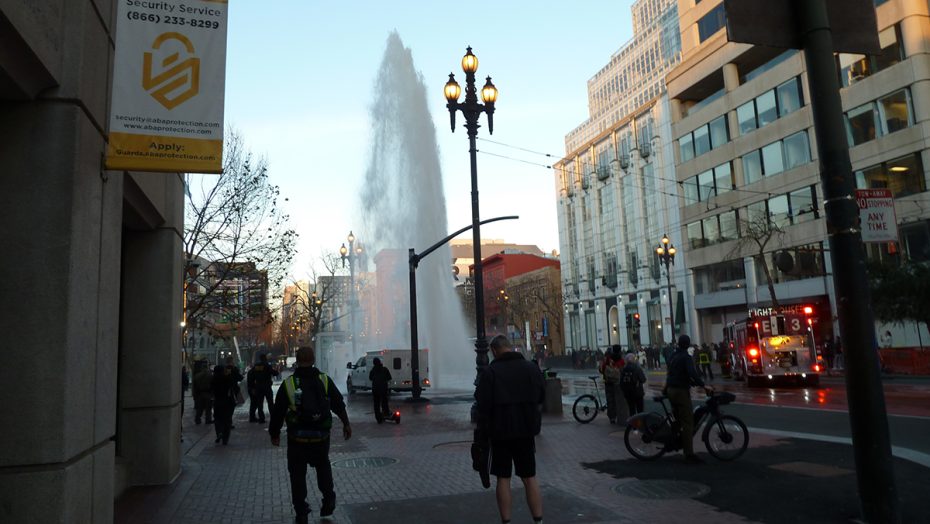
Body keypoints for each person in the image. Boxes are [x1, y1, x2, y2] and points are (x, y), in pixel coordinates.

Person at [270, 346, 351, 523]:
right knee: (323, 467)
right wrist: (346, 423)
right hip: (320, 437)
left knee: (297, 475)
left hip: (297, 439)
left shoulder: (289, 384)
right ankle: (328, 499)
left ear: (297, 361)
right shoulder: (324, 380)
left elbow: (278, 411)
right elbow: (338, 403)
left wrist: (274, 433)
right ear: (313, 360)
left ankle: (301, 510)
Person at [476, 335, 546, 524]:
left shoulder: (491, 372)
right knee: (529, 477)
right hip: (525, 432)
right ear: (510, 347)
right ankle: (538, 520)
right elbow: (541, 395)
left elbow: (482, 404)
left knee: (503, 478)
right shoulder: (531, 368)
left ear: (493, 351)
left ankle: (506, 521)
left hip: (500, 433)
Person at [664, 334, 712, 463]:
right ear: (688, 344)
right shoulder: (686, 357)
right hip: (680, 391)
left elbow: (672, 373)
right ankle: (689, 453)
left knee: (677, 419)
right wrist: (703, 385)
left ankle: (672, 441)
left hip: (670, 390)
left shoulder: (673, 355)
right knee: (688, 422)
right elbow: (692, 373)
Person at [211, 357, 243, 445]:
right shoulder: (227, 378)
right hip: (228, 401)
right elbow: (235, 382)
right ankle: (225, 438)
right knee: (227, 419)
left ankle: (219, 432)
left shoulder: (213, 379)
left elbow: (211, 390)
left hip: (217, 401)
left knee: (217, 418)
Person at [248, 353, 280, 424]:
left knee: (260, 403)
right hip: (267, 387)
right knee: (270, 403)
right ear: (265, 358)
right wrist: (277, 371)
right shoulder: (267, 365)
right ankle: (273, 417)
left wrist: (252, 386)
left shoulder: (256, 366)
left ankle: (261, 419)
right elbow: (274, 373)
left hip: (258, 387)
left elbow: (251, 375)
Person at [598, 345, 625, 424]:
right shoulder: (621, 360)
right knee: (618, 400)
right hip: (618, 383)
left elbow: (602, 369)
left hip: (608, 382)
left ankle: (612, 417)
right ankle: (619, 415)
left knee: (610, 400)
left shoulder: (608, 359)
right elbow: (624, 370)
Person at [368, 357, 392, 423]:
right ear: (380, 362)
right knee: (384, 402)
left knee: (376, 404)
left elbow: (370, 378)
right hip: (383, 389)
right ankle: (386, 414)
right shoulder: (385, 369)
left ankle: (378, 418)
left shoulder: (372, 371)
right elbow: (389, 378)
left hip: (375, 389)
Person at [192, 359, 214, 425]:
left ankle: (197, 419)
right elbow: (212, 384)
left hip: (200, 393)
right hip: (208, 393)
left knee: (200, 408)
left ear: (201, 368)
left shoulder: (197, 375)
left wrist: (194, 394)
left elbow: (195, 386)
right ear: (207, 367)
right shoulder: (210, 375)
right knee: (208, 408)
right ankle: (208, 420)